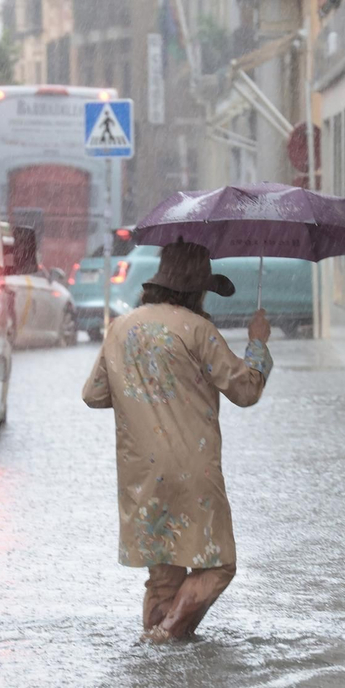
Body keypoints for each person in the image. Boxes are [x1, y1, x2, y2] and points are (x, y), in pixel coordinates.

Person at [81, 240, 273, 642]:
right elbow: (246, 390)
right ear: (197, 289)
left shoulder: (121, 328)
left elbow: (94, 394)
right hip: (192, 470)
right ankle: (167, 633)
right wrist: (257, 342)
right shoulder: (198, 330)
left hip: (141, 475)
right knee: (219, 564)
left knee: (163, 576)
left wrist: (140, 390)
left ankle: (157, 652)